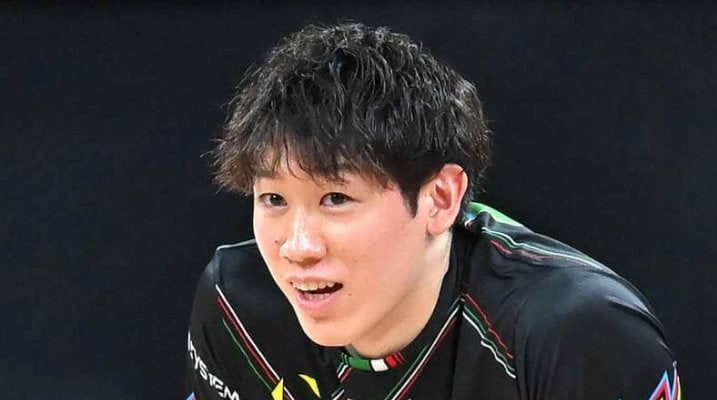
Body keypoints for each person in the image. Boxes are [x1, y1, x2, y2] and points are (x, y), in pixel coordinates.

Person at [185, 22, 679, 400]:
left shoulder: (581, 334)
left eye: (336, 198)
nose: (298, 248)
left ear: (441, 198)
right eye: (273, 199)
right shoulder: (237, 306)